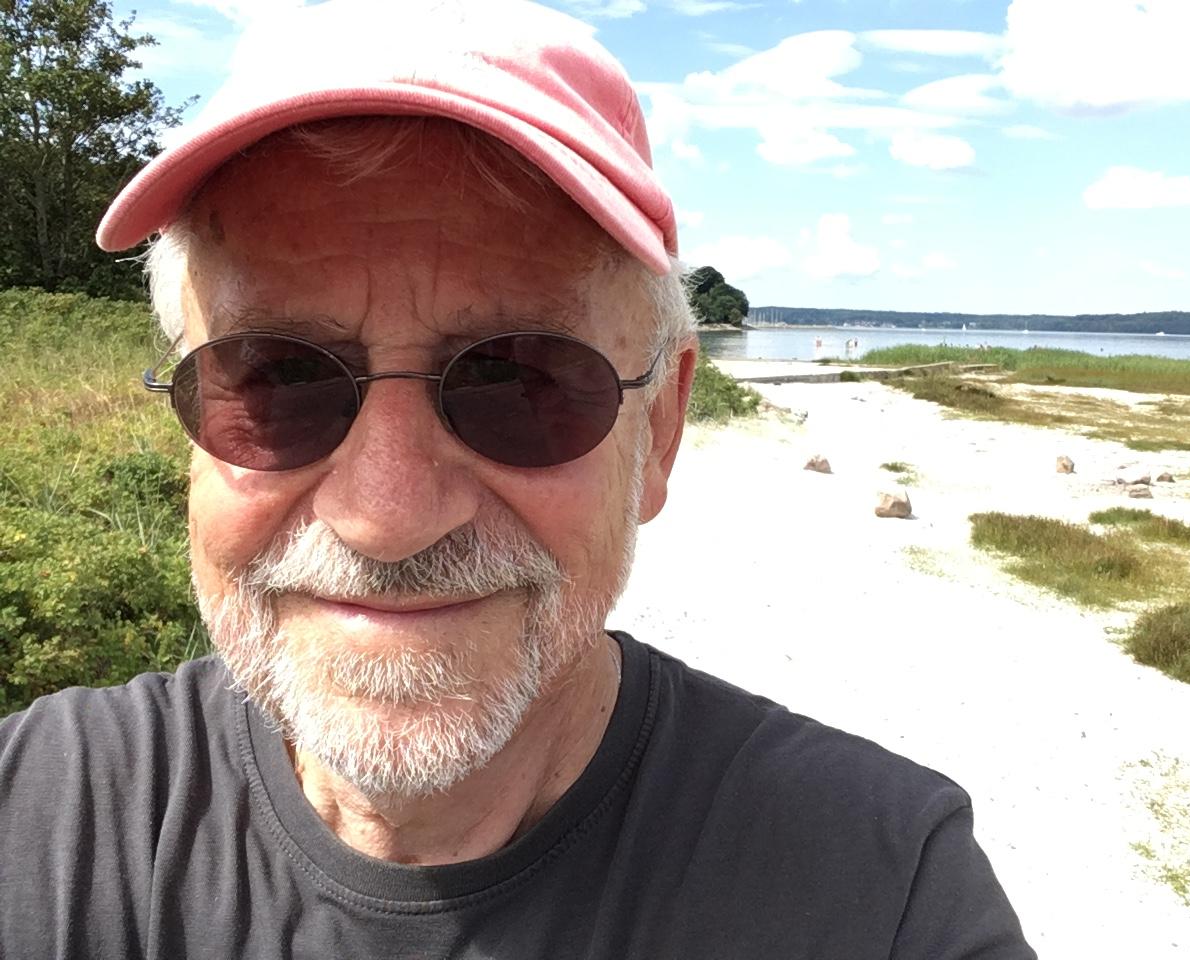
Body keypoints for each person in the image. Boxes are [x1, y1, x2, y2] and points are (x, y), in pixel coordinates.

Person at [0, 2, 1036, 957]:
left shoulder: (882, 895)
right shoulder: (36, 815)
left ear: (659, 430)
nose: (388, 516)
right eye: (277, 378)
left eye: (517, 378)